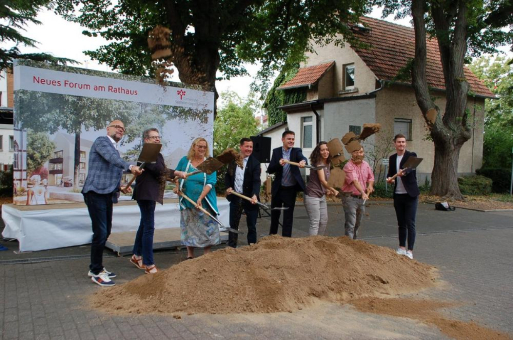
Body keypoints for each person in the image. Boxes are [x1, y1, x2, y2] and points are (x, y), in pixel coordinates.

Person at [82, 120, 142, 286]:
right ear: (108, 128)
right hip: (95, 193)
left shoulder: (114, 150)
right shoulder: (102, 141)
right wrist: (130, 166)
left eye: (123, 129)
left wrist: (120, 186)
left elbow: (113, 167)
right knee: (100, 232)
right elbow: (113, 159)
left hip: (106, 194)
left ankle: (97, 266)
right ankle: (95, 271)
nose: (120, 130)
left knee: (105, 231)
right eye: (117, 127)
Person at [129, 128, 186, 274]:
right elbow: (159, 171)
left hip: (148, 194)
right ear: (146, 140)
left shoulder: (156, 154)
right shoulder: (149, 153)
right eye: (153, 137)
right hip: (146, 194)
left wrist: (173, 176)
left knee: (144, 225)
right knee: (149, 228)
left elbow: (160, 171)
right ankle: (149, 264)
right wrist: (176, 173)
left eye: (158, 137)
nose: (157, 139)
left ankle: (136, 255)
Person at [175, 137, 220, 259]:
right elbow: (176, 174)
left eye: (204, 147)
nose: (202, 149)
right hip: (187, 200)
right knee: (189, 226)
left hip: (204, 201)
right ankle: (190, 254)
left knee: (207, 226)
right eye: (199, 146)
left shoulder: (210, 163)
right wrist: (177, 186)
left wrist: (200, 198)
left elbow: (210, 182)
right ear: (193, 146)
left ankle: (206, 254)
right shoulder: (185, 161)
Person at [267, 130, 307, 237]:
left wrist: (303, 161)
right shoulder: (276, 152)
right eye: (289, 139)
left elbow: (302, 157)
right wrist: (279, 164)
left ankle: (286, 240)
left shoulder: (296, 151)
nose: (291, 141)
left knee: (288, 217)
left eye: (293, 139)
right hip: (278, 189)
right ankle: (272, 238)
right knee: (275, 215)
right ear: (283, 139)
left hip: (290, 189)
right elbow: (270, 169)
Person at [386, 134, 420, 259]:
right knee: (401, 223)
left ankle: (410, 251)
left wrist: (403, 172)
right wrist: (390, 179)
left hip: (410, 195)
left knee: (410, 222)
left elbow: (410, 169)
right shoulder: (392, 158)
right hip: (398, 195)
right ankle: (401, 247)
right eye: (399, 142)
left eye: (403, 142)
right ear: (395, 143)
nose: (401, 144)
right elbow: (390, 174)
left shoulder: (412, 156)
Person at [225, 138, 261, 247]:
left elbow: (256, 181)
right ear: (241, 147)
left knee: (252, 225)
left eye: (251, 147)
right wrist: (228, 187)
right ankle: (231, 247)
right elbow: (228, 175)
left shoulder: (255, 163)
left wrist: (255, 195)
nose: (249, 149)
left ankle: (252, 246)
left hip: (250, 198)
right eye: (247, 146)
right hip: (235, 197)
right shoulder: (233, 161)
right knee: (233, 224)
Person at [304, 141, 339, 236]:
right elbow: (323, 180)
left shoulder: (327, 163)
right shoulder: (318, 164)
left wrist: (327, 189)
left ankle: (318, 242)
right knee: (315, 222)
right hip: (312, 195)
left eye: (327, 150)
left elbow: (325, 182)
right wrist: (333, 190)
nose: (325, 152)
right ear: (318, 152)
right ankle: (311, 245)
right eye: (322, 150)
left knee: (323, 221)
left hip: (321, 195)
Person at [342, 146, 375, 240]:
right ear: (351, 153)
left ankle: (354, 243)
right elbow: (355, 181)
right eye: (356, 152)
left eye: (360, 152)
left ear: (363, 153)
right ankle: (349, 245)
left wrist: (370, 186)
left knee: (358, 223)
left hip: (361, 198)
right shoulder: (348, 166)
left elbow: (371, 177)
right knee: (351, 223)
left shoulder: (366, 164)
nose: (358, 154)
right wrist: (363, 192)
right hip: (349, 197)